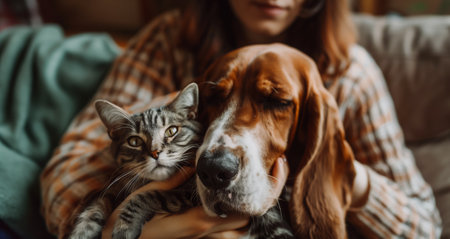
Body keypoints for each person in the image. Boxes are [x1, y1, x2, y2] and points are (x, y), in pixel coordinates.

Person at [40, 0, 442, 238]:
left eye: (275, 101)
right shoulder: (170, 41)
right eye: (215, 96)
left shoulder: (350, 76)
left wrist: (339, 178)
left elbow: (426, 226)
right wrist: (136, 232)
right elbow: (68, 169)